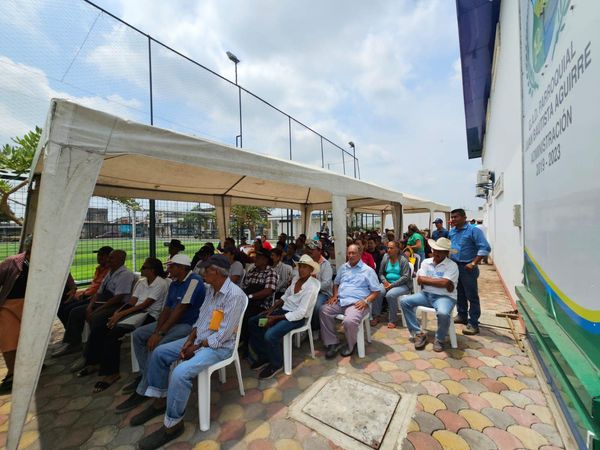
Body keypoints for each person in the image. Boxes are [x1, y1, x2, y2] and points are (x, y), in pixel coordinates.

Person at [131, 255, 246, 450]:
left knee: (180, 372)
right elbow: (201, 319)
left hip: (219, 347)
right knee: (159, 353)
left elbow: (222, 336)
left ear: (217, 272)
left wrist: (197, 347)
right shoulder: (211, 290)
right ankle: (160, 402)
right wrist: (190, 340)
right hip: (200, 340)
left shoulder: (234, 295)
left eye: (206, 270)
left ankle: (173, 425)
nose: (202, 273)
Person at [115, 253, 205, 413]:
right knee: (139, 335)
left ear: (182, 268)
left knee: (156, 346)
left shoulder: (194, 281)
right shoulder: (175, 283)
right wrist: (157, 330)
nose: (168, 269)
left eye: (172, 266)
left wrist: (160, 333)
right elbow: (167, 308)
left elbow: (180, 309)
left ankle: (143, 390)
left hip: (187, 325)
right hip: (172, 322)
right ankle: (146, 375)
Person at [82, 258, 169, 392]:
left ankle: (112, 373)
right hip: (135, 312)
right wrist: (118, 313)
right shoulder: (142, 282)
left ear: (152, 270)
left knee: (113, 335)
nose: (141, 269)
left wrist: (121, 314)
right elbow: (132, 302)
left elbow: (145, 305)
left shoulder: (160, 283)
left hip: (149, 315)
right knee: (100, 327)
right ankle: (93, 361)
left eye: (144, 267)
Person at [248, 254, 320, 378]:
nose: (301, 269)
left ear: (311, 270)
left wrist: (275, 318)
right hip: (282, 311)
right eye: (300, 266)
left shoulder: (311, 287)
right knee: (253, 322)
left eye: (305, 267)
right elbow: (285, 296)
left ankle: (276, 364)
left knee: (270, 335)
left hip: (296, 318)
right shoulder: (296, 278)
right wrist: (271, 310)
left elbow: (300, 313)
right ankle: (264, 356)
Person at [57, 250, 135, 358]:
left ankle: (92, 351)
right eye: (109, 257)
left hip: (115, 305)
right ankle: (74, 342)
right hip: (102, 301)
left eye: (111, 258)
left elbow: (118, 298)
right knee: (75, 311)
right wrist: (90, 307)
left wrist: (98, 309)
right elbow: (99, 292)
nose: (108, 260)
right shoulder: (110, 272)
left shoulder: (125, 275)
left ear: (120, 260)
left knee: (95, 318)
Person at [319, 244, 380, 358]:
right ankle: (332, 342)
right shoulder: (343, 267)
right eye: (349, 253)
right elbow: (336, 283)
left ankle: (351, 345)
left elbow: (376, 291)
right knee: (324, 310)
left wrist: (366, 301)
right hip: (341, 301)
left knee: (349, 321)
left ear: (360, 254)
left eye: (354, 253)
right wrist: (335, 295)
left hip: (357, 304)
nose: (351, 255)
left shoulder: (368, 270)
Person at [400, 237, 459, 352]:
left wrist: (428, 280)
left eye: (440, 251)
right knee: (404, 302)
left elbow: (444, 283)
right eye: (435, 250)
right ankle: (418, 333)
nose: (436, 253)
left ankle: (439, 339)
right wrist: (441, 282)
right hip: (426, 295)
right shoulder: (426, 262)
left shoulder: (452, 265)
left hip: (445, 297)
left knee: (443, 313)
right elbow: (420, 280)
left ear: (446, 253)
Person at [449, 208, 491, 335]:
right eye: (452, 217)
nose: (453, 219)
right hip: (455, 266)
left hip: (468, 268)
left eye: (456, 217)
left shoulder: (473, 230)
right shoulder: (452, 232)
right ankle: (462, 315)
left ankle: (473, 323)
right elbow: (451, 247)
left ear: (464, 217)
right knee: (459, 293)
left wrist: (473, 263)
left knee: (471, 295)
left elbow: (485, 248)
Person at [57, 246, 112, 328]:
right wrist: (81, 293)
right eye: (98, 254)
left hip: (92, 298)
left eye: (101, 255)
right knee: (61, 307)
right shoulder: (99, 269)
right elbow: (93, 286)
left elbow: (99, 290)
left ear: (109, 258)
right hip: (86, 295)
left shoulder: (110, 271)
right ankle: (70, 329)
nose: (98, 257)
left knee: (68, 309)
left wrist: (83, 295)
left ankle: (73, 330)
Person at [240, 248, 278, 354]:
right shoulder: (252, 271)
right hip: (248, 302)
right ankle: (241, 340)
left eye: (258, 258)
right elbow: (244, 287)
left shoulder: (271, 272)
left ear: (265, 260)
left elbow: (268, 291)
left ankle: (249, 345)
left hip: (262, 306)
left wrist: (250, 296)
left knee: (246, 316)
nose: (255, 259)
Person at [371, 240, 412, 328]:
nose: (388, 250)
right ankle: (376, 316)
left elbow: (406, 277)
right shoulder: (385, 257)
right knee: (377, 292)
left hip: (402, 284)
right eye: (388, 248)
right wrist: (385, 281)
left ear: (397, 249)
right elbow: (381, 273)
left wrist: (392, 285)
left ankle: (393, 319)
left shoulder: (403, 259)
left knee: (390, 295)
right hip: (387, 282)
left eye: (391, 248)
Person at [306, 240, 333, 332]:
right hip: (308, 291)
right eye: (309, 249)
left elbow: (326, 284)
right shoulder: (307, 262)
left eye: (312, 249)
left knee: (316, 306)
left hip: (323, 293)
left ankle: (315, 329)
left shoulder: (326, 264)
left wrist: (313, 288)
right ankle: (303, 327)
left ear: (319, 251)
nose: (310, 251)